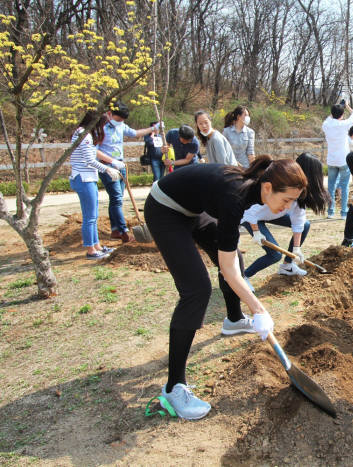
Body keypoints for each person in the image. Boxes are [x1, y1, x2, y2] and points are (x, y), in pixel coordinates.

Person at [143, 155, 307, 420]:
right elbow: (227, 270)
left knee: (236, 258)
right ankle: (174, 388)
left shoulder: (252, 190)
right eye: (286, 200)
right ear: (268, 187)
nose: (287, 208)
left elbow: (230, 261)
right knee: (197, 289)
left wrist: (253, 307)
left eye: (292, 202)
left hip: (192, 209)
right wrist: (259, 308)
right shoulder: (235, 198)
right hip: (165, 209)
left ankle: (233, 319)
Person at [242, 153, 330, 279]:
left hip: (272, 213)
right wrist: (256, 231)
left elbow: (299, 220)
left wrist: (296, 248)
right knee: (275, 255)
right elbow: (251, 210)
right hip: (252, 217)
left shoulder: (299, 191)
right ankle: (244, 276)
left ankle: (287, 265)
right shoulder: (280, 186)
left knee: (305, 224)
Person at [96, 102, 159, 243]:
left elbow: (135, 134)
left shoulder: (121, 126)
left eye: (122, 121)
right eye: (118, 120)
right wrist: (111, 162)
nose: (120, 123)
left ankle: (115, 230)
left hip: (121, 165)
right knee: (117, 198)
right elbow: (95, 150)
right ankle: (124, 232)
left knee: (116, 199)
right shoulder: (101, 128)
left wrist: (153, 128)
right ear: (110, 114)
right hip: (108, 167)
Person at [70, 111, 121, 259]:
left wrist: (112, 161)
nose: (103, 128)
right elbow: (89, 160)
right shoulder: (84, 135)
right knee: (89, 216)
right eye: (102, 124)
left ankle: (97, 245)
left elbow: (94, 153)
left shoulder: (85, 133)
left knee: (93, 215)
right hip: (83, 178)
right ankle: (91, 250)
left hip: (88, 177)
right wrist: (107, 169)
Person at [322, 100, 353, 219]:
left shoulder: (326, 124)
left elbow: (330, 117)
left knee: (331, 187)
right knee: (344, 186)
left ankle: (331, 212)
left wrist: (337, 105)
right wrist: (347, 106)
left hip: (332, 160)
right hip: (343, 160)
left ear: (332, 113)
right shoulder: (344, 124)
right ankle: (343, 212)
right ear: (342, 115)